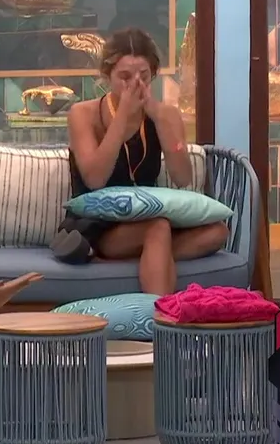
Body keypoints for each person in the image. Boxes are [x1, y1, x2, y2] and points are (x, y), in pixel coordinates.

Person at [49, 28, 228, 295]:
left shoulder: (166, 114)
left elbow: (182, 177)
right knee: (158, 228)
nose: (134, 84)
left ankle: (148, 257)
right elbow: (94, 178)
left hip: (144, 217)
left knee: (217, 232)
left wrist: (161, 121)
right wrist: (122, 117)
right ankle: (161, 313)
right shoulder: (83, 114)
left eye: (143, 76)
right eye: (124, 77)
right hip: (98, 226)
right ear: (107, 76)